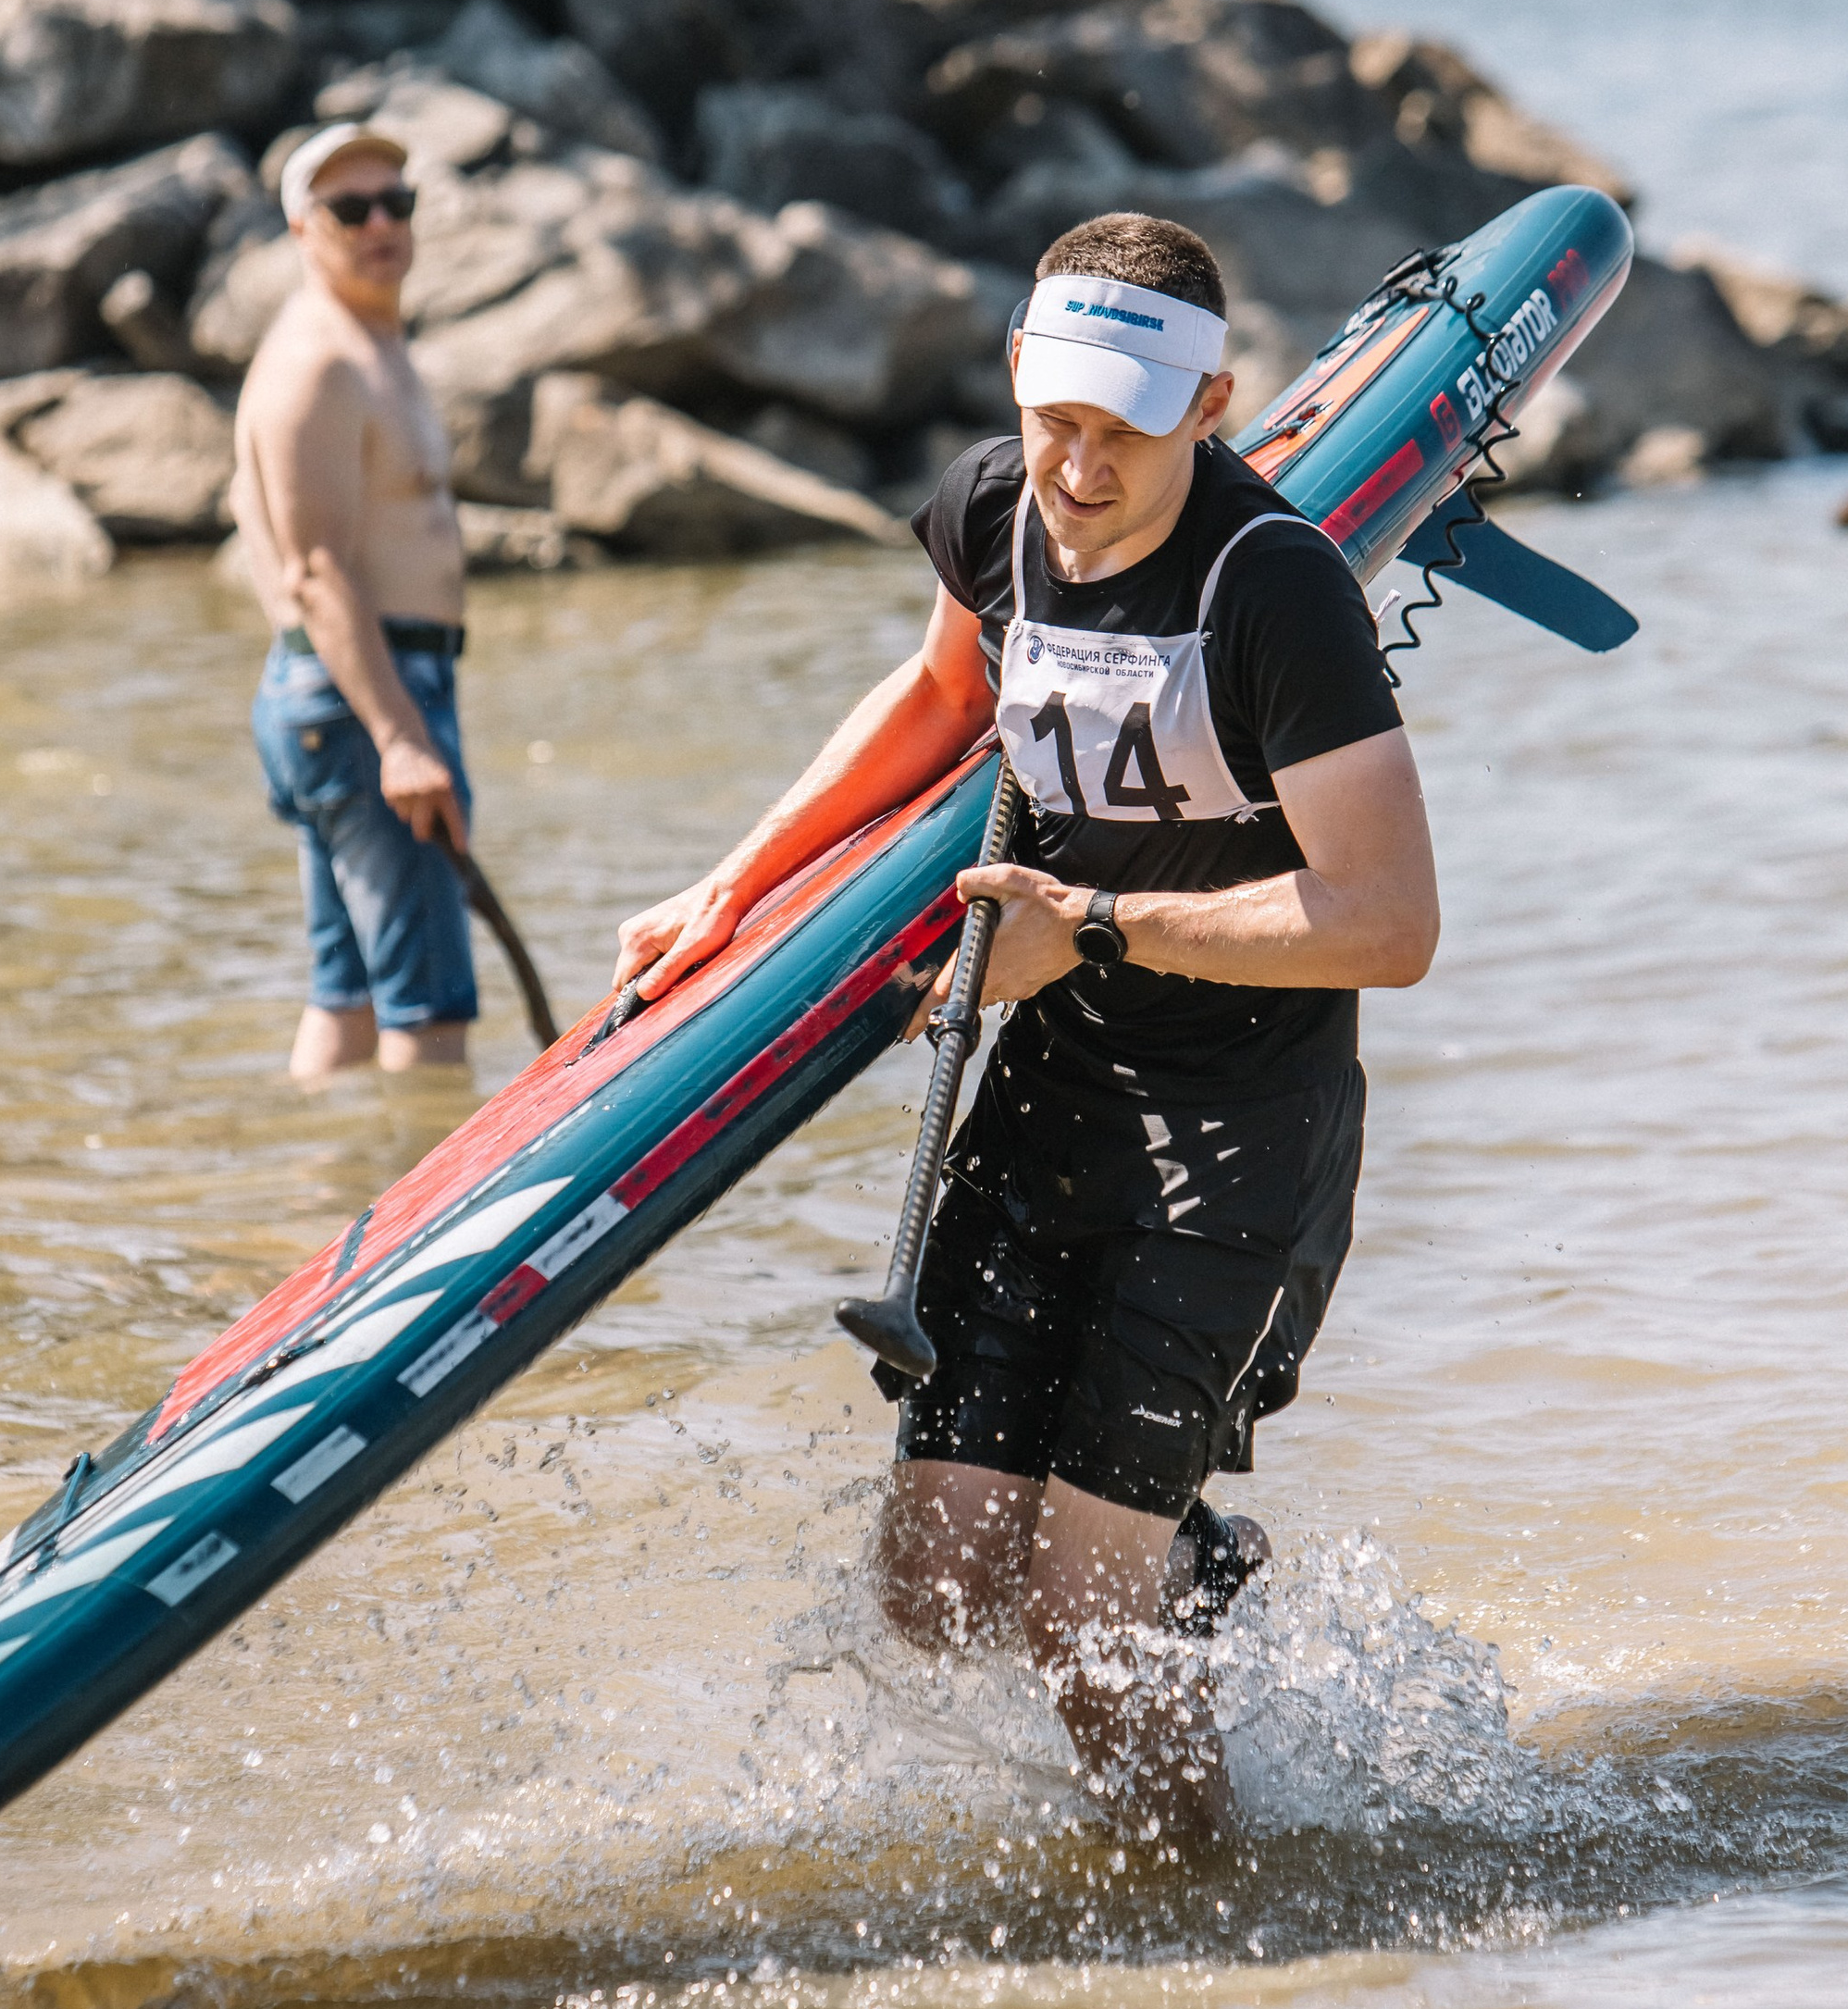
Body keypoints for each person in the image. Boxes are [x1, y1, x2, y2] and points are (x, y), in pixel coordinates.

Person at [614, 213, 1438, 1843]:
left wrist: (1104, 928)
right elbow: (939, 698)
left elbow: (1391, 922)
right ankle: (1193, 1571)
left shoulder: (1275, 592)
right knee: (932, 1594)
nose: (1076, 465)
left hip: (1237, 1138)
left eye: (1123, 429)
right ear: (1017, 376)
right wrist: (739, 879)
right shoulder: (1003, 503)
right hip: (1054, 1087)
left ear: (1209, 407)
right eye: (1054, 414)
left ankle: (1203, 1956)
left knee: (1084, 1641)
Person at [231, 120, 478, 1085]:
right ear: (302, 230)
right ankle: (437, 1231)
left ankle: (325, 1206)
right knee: (430, 1015)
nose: (381, 223)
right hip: (366, 693)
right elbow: (314, 569)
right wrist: (400, 736)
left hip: (343, 693)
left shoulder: (366, 344)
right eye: (351, 208)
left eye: (396, 202)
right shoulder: (317, 363)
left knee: (354, 996)